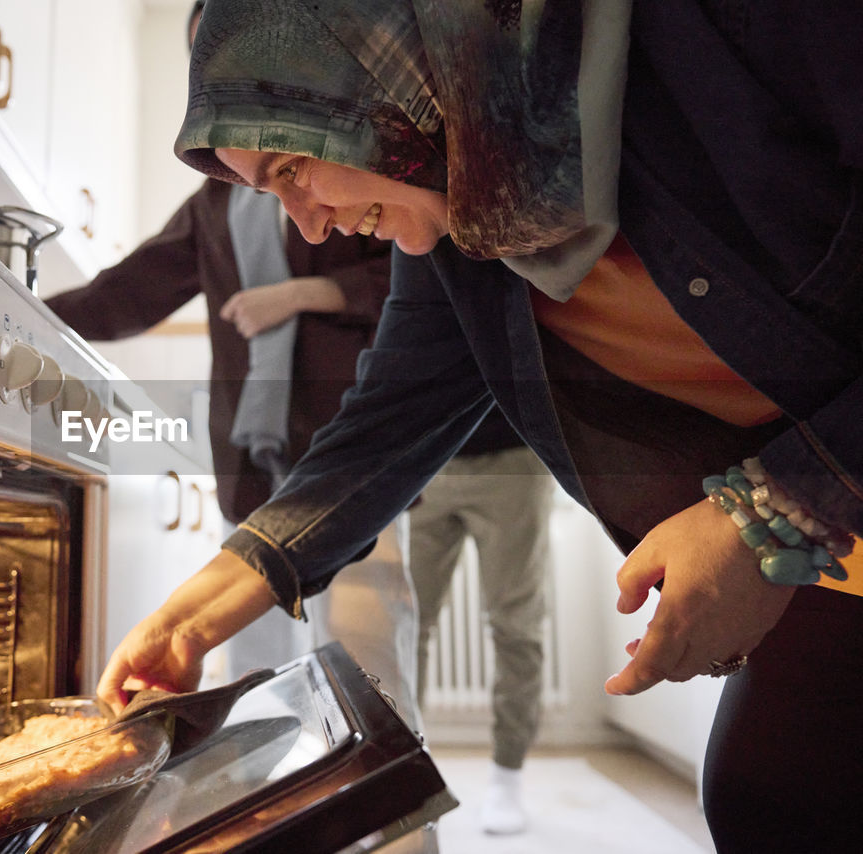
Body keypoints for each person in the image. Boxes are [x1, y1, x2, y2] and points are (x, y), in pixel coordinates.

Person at [97, 1, 863, 852]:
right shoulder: (467, 230)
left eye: (291, 168)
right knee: (771, 800)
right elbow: (378, 437)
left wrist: (778, 508)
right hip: (842, 554)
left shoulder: (734, 31)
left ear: (370, 76)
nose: (307, 223)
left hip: (824, 513)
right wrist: (187, 624)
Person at [48, 0, 427, 733]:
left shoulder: (357, 164)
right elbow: (127, 292)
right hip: (252, 468)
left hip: (349, 459)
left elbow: (415, 284)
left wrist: (306, 293)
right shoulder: (213, 203)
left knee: (368, 686)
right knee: (259, 692)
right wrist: (22, 313)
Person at [410, 430, 553, 835]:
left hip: (513, 452)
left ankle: (507, 776)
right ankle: (405, 775)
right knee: (406, 626)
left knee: (516, 625)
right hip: (424, 452)